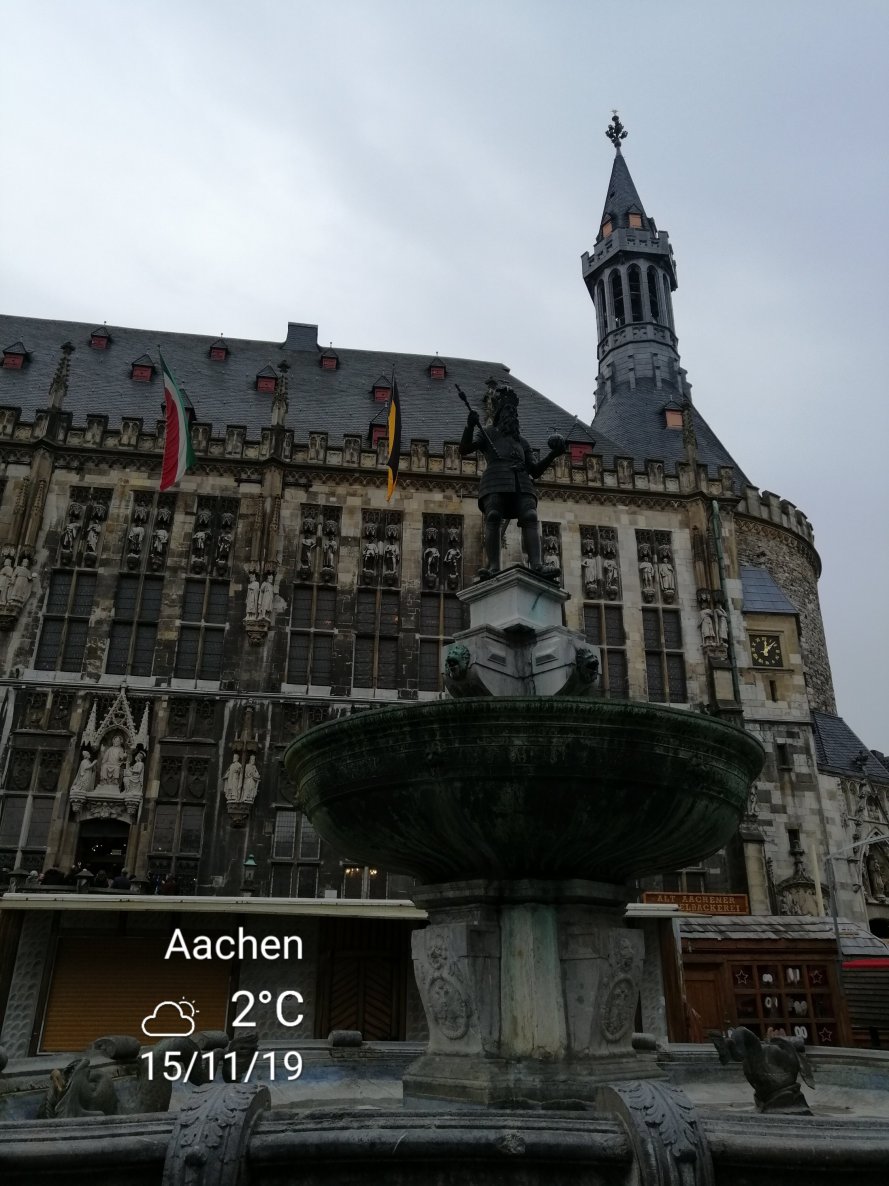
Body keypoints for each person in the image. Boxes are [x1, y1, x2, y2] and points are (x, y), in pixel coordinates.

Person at [458, 385, 567, 577]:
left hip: (521, 483)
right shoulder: (488, 433)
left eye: (513, 411)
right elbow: (464, 449)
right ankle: (493, 567)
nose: (512, 414)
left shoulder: (523, 442)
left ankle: (537, 565)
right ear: (499, 413)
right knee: (493, 516)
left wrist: (553, 454)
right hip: (495, 479)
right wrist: (469, 426)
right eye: (508, 410)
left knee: (530, 516)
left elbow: (535, 471)